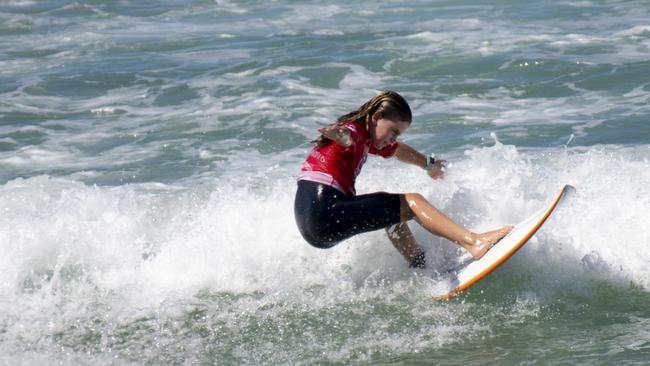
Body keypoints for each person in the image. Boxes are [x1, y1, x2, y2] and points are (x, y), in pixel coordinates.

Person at [294, 90, 512, 268]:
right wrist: (340, 135)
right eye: (394, 131)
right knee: (411, 202)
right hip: (325, 211)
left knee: (391, 211)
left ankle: (420, 264)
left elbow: (396, 150)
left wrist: (428, 164)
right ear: (377, 117)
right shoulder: (356, 132)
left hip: (311, 224)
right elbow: (348, 136)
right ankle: (473, 242)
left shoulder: (367, 139)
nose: (394, 137)